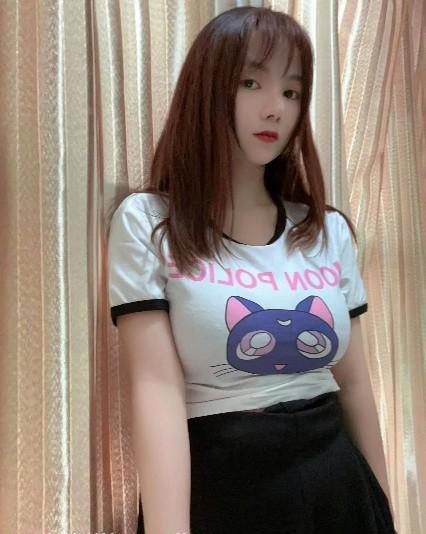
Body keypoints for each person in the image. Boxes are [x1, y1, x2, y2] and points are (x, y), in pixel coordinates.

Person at [107, 6, 397, 534]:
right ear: (207, 89)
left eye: (291, 91)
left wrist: (386, 513)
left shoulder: (324, 229)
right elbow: (156, 393)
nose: (275, 109)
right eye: (250, 83)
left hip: (338, 487)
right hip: (225, 488)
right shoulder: (149, 223)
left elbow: (355, 385)